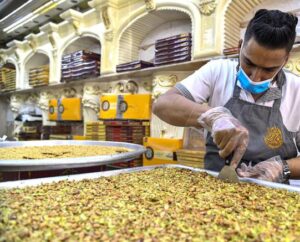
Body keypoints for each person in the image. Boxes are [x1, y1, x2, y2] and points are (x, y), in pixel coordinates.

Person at [153, 9, 300, 184]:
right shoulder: (217, 71)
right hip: (216, 188)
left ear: (285, 60)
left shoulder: (296, 90)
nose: (255, 77)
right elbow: (162, 105)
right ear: (240, 47)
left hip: (274, 196)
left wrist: (282, 168)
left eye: (269, 70)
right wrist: (213, 117)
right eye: (248, 63)